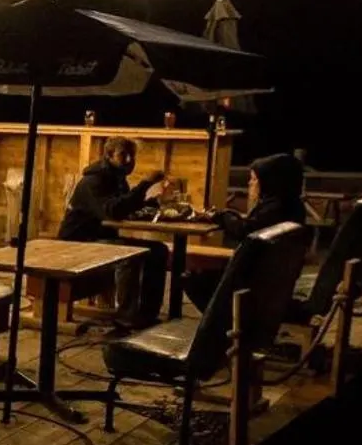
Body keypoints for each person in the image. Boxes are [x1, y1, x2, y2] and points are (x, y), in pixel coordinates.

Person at [60, 136, 170, 328]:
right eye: (123, 155)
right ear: (109, 156)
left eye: (132, 156)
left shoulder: (118, 179)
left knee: (158, 250)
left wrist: (150, 202)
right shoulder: (93, 181)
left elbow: (124, 207)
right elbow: (113, 211)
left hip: (101, 237)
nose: (129, 160)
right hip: (79, 242)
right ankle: (126, 317)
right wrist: (145, 184)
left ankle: (147, 314)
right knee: (128, 256)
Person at [180, 153, 308, 312]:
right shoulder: (292, 205)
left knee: (192, 278)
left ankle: (223, 321)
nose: (250, 183)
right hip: (272, 276)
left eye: (254, 179)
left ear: (269, 182)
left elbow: (244, 230)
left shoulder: (275, 208)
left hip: (256, 278)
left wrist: (220, 216)